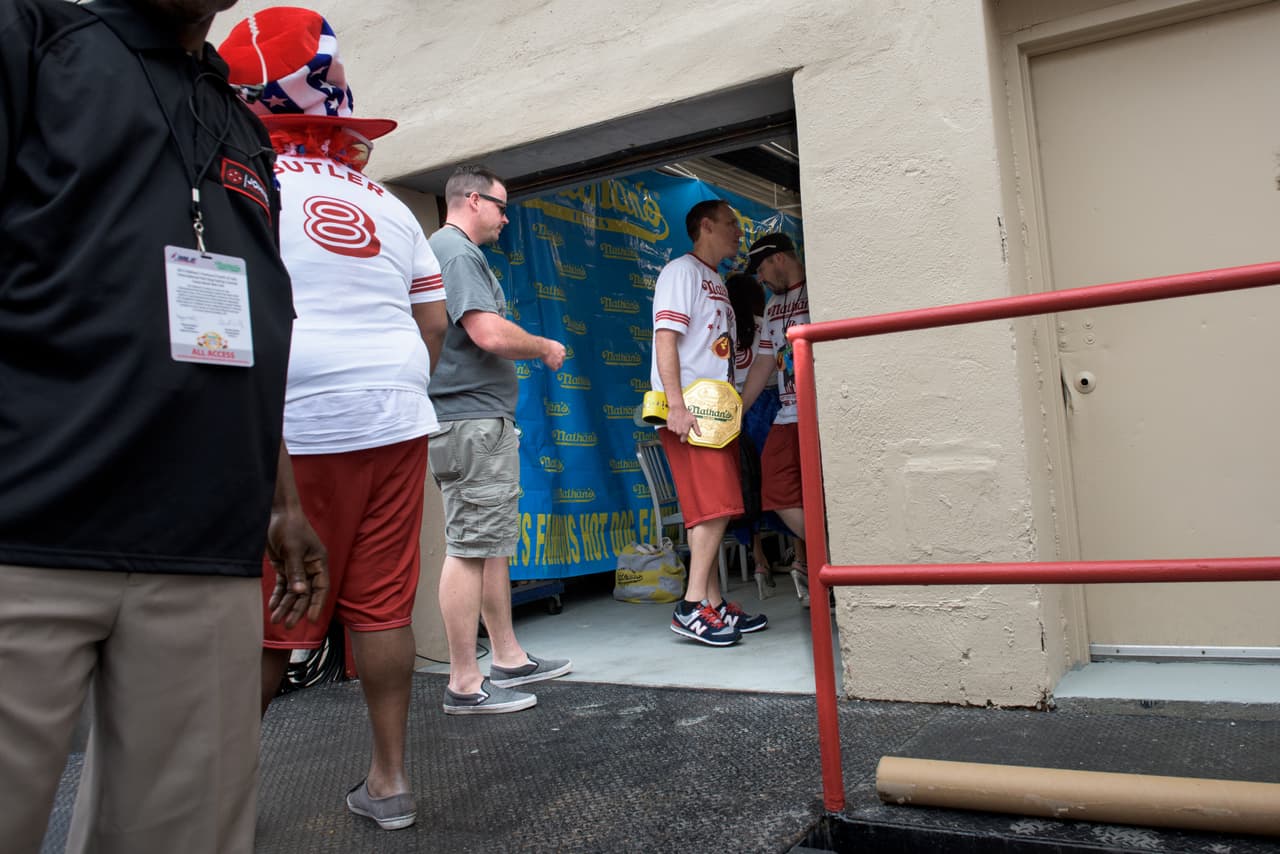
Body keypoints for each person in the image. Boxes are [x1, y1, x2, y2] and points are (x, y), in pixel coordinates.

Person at [0, 2, 329, 852]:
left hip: (204, 551)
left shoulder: (243, 125)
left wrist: (280, 498)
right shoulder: (33, 38)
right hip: (24, 533)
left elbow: (253, 330)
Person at [219, 6, 447, 831]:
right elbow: (433, 321)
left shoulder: (241, 181)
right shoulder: (386, 202)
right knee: (384, 605)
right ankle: (389, 783)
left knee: (278, 616)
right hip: (394, 409)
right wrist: (394, 381)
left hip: (295, 417)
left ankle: (220, 801)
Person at [427, 166, 572, 714]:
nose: (506, 218)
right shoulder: (458, 253)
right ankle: (464, 682)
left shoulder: (452, 251)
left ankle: (507, 656)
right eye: (500, 206)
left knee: (487, 544)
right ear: (471, 200)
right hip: (469, 421)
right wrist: (543, 346)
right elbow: (486, 332)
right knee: (469, 548)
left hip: (471, 421)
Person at [652, 200, 768, 645]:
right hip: (690, 410)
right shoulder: (680, 272)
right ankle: (691, 605)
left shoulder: (714, 278)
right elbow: (666, 337)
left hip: (715, 411)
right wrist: (676, 406)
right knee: (717, 505)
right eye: (731, 225)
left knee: (713, 508)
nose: (738, 233)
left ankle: (714, 606)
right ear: (705, 227)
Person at [739, 233, 813, 604]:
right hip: (787, 413)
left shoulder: (820, 289)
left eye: (763, 269)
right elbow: (763, 362)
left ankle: (829, 566)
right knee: (776, 491)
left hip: (820, 411)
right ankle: (829, 557)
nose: (762, 279)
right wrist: (739, 409)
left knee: (828, 492)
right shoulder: (771, 307)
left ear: (780, 259)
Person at [725, 272, 783, 598]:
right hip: (772, 408)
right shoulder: (767, 323)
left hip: (736, 412)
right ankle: (801, 557)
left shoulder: (725, 331)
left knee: (746, 490)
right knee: (783, 484)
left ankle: (759, 559)